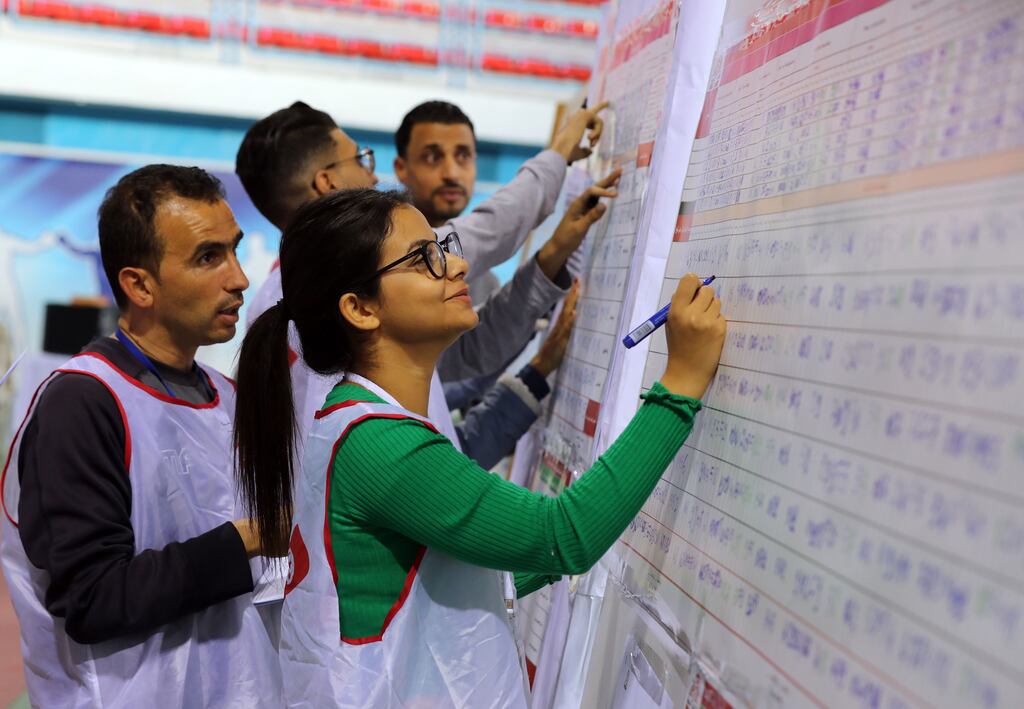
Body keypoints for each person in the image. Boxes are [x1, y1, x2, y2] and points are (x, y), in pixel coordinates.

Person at [233, 189, 727, 707]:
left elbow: (453, 572)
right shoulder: (381, 443)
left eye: (442, 246)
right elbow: (564, 535)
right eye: (425, 258)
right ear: (360, 309)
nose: (457, 264)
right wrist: (681, 383)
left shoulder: (354, 421)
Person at [0, 165, 281, 707]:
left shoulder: (229, 398)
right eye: (208, 257)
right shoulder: (82, 402)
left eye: (234, 249)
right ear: (139, 284)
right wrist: (247, 539)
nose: (239, 278)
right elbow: (95, 599)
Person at [235, 101, 617, 466]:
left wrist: (551, 258)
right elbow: (494, 229)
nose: (372, 175)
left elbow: (467, 352)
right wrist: (559, 153)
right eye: (425, 254)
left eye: (465, 155)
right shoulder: (339, 281)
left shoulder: (285, 295)